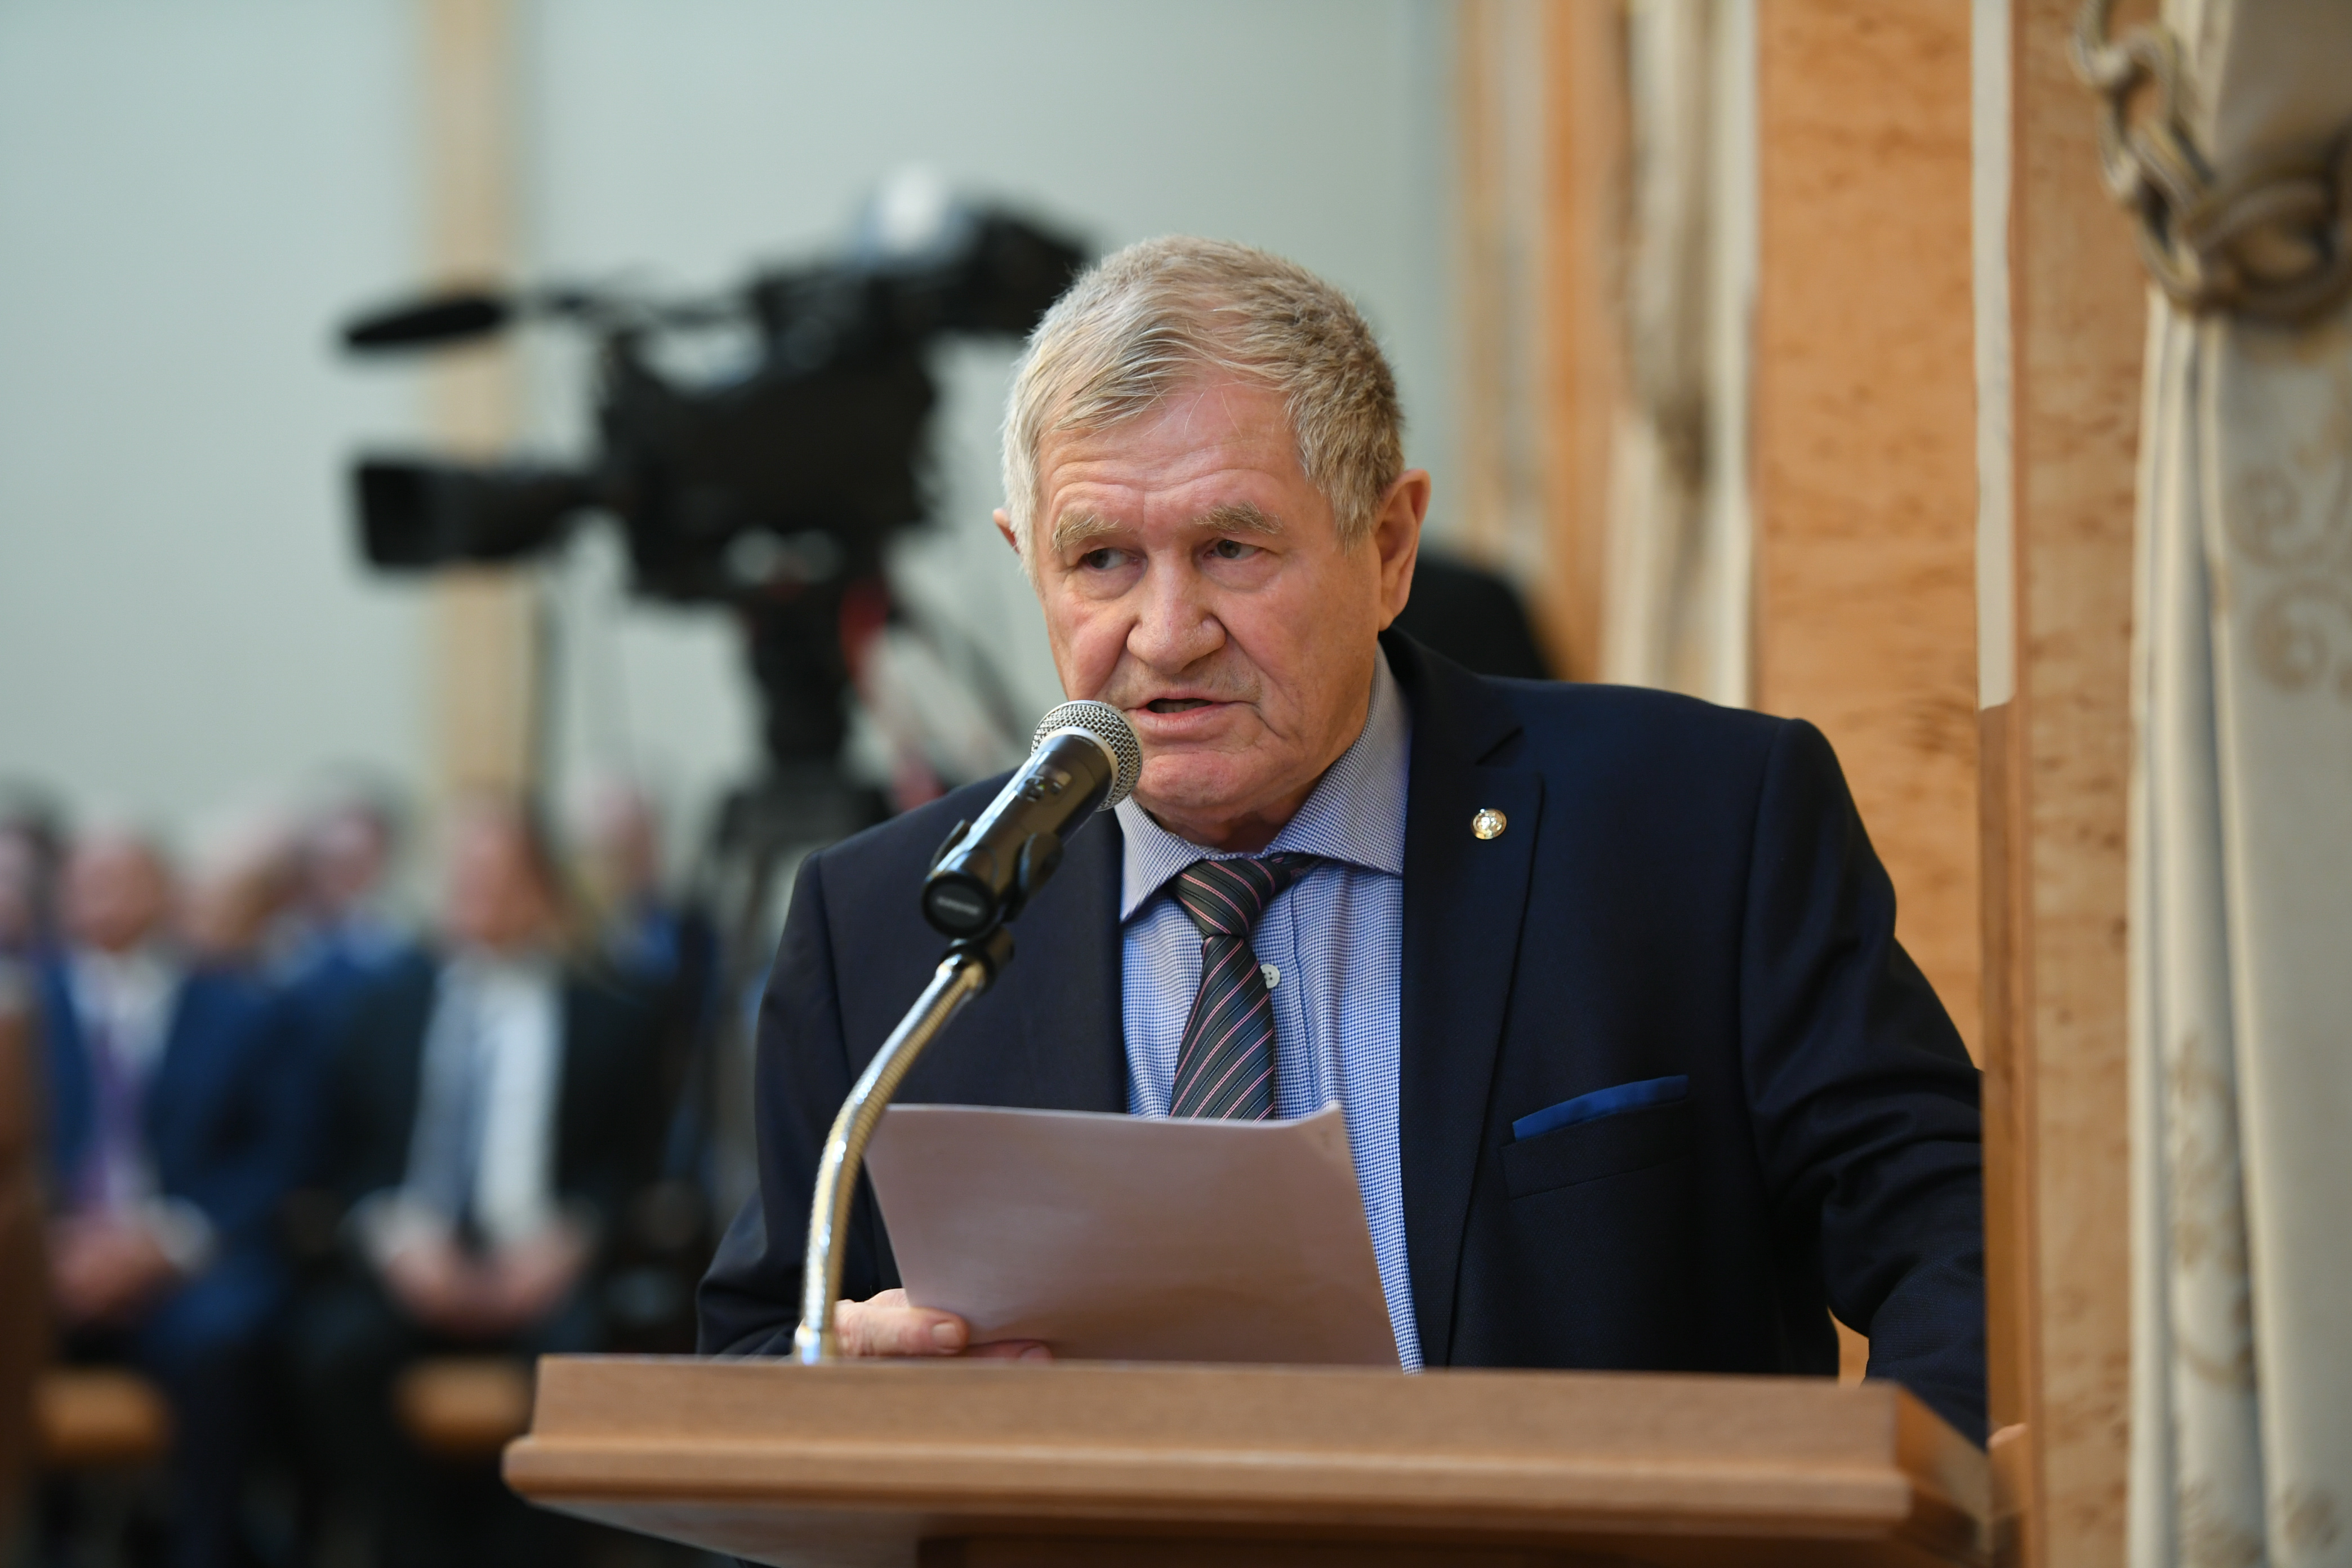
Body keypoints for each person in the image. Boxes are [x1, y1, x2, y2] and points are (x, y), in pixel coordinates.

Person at [696, 238, 1987, 1442]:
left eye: (1230, 548)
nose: (1166, 633)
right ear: (1025, 559)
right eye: (1100, 561)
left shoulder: (1698, 823)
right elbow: (760, 1351)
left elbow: (1961, 1234)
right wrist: (848, 1394)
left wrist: (1897, 1516)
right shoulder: (894, 926)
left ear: (1390, 547)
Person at [290, 794, 663, 1568]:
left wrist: (573, 1238)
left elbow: (636, 1167)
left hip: (543, 1266)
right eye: (463, 874)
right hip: (412, 1265)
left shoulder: (611, 1015)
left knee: (586, 1361)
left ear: (543, 888)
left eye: (498, 876)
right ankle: (418, 1551)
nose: (477, 892)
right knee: (331, 1353)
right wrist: (393, 1239)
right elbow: (337, 1159)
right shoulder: (377, 1008)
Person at [36, 830, 305, 1568]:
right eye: (88, 881)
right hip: (43, 1263)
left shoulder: (240, 1009)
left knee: (228, 1335)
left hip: (185, 1262)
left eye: (124, 879)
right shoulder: (19, 1010)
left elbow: (278, 1156)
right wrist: (48, 1245)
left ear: (165, 893)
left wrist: (165, 1241)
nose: (104, 898)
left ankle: (204, 1541)